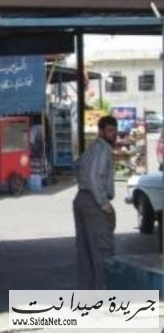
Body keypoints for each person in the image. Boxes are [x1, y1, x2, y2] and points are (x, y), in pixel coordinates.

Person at [73, 115, 118, 290]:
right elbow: (94, 177)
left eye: (115, 131)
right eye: (110, 130)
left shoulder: (92, 148)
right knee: (102, 251)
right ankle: (102, 293)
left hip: (82, 198)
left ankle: (89, 293)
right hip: (94, 202)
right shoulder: (103, 150)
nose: (114, 134)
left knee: (85, 253)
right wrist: (104, 204)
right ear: (101, 131)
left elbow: (77, 166)